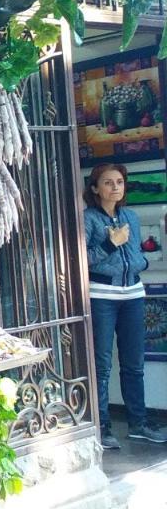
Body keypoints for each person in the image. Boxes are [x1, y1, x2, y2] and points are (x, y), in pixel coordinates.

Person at [83, 163, 166, 449]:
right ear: (95, 188)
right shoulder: (89, 219)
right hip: (102, 294)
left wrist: (142, 262)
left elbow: (137, 253)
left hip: (133, 293)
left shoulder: (130, 215)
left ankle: (138, 423)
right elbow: (82, 259)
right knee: (102, 365)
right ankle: (102, 426)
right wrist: (109, 244)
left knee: (134, 363)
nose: (115, 187)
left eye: (119, 182)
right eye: (108, 182)